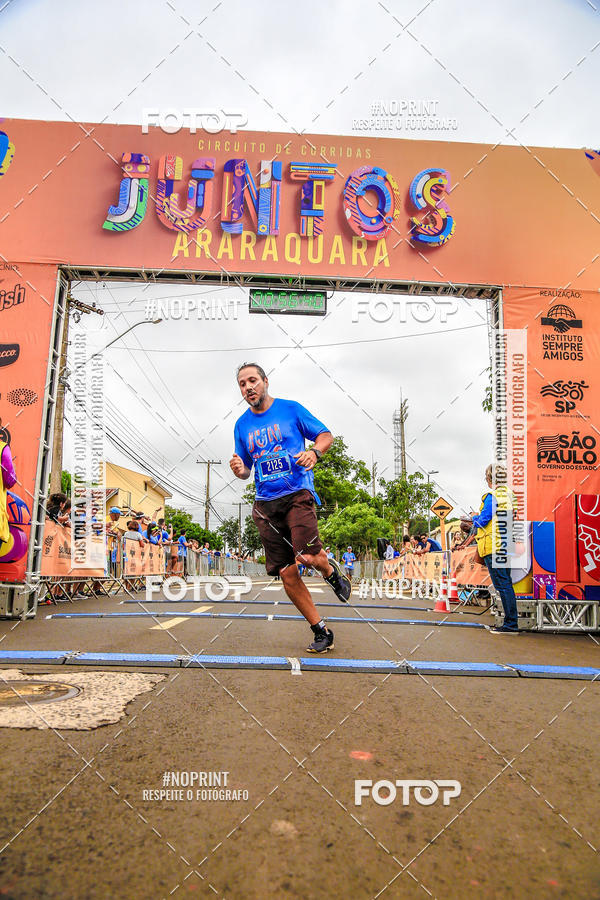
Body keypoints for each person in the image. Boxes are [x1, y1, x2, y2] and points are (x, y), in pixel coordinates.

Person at [230, 362, 351, 654]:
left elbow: (325, 435)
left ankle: (331, 572)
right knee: (287, 572)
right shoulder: (242, 425)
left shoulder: (291, 409)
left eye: (252, 381)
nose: (248, 387)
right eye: (243, 384)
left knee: (308, 556)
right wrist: (239, 470)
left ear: (265, 381)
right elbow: (246, 469)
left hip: (297, 492)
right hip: (265, 503)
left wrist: (314, 452)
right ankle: (321, 630)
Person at [470, 464, 520, 634]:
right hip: (506, 543)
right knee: (506, 583)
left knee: (502, 584)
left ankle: (511, 623)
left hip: (493, 544)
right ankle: (510, 621)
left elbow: (483, 521)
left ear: (490, 479)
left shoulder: (492, 496)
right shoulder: (510, 495)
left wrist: (472, 518)